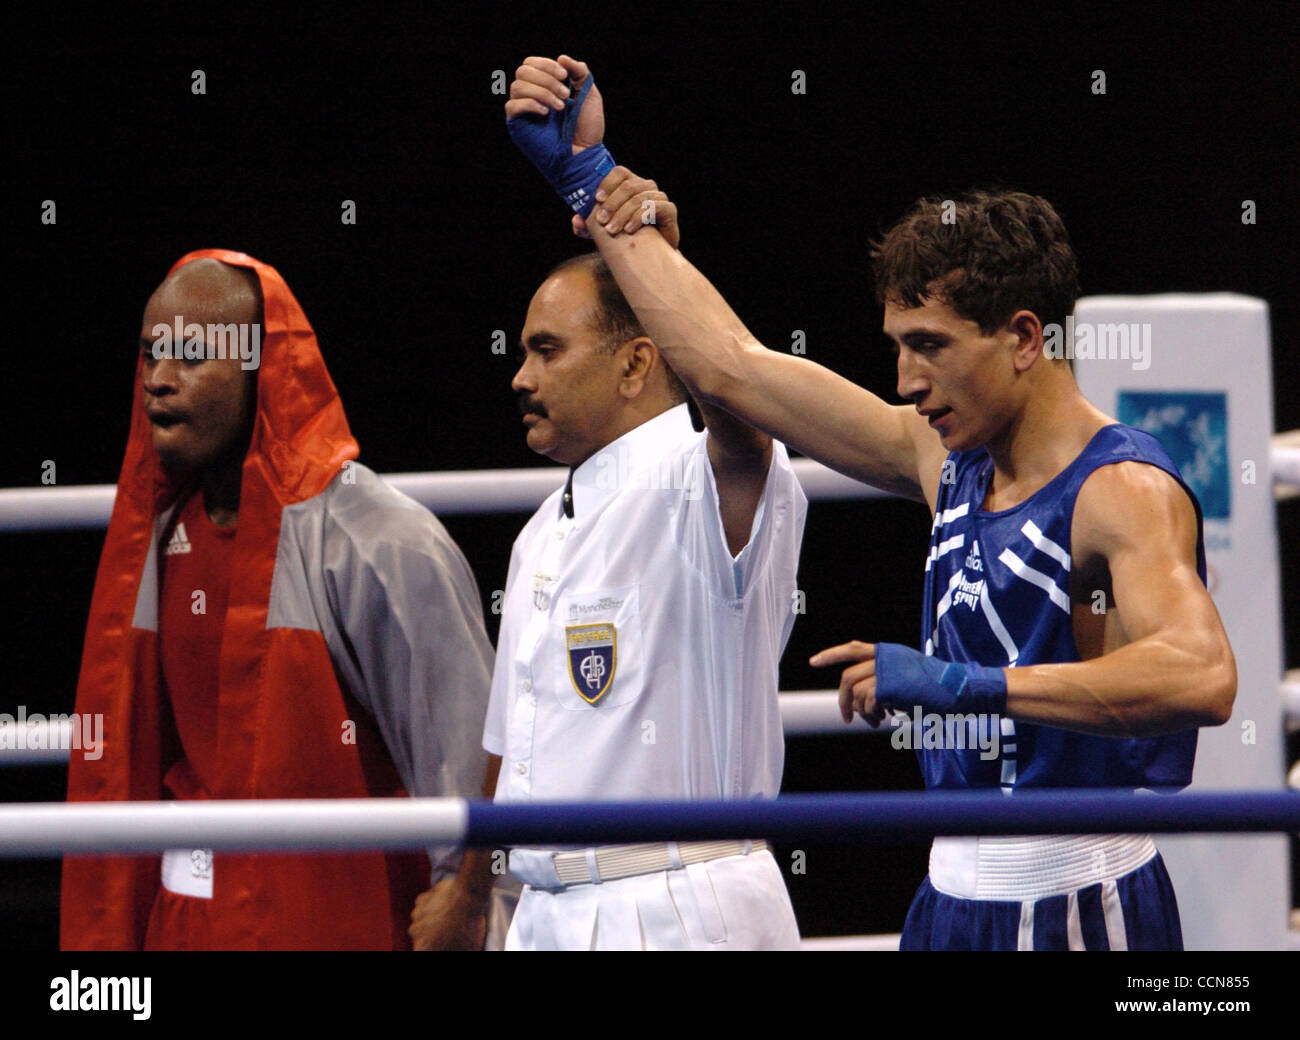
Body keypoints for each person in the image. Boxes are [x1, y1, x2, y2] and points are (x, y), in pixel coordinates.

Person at [505, 55, 1237, 951]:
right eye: (897, 345)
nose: (906, 380)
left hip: (1080, 897)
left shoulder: (1119, 489)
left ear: (1021, 339)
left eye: (929, 345)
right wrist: (590, 176)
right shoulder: (939, 456)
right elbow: (730, 366)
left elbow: (1202, 673)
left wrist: (969, 687)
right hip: (948, 894)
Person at [61, 249, 498, 951]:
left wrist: (469, 900)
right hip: (187, 919)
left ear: (259, 369)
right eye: (150, 356)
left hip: (334, 914)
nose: (159, 383)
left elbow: (467, 747)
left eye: (191, 356)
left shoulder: (378, 539)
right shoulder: (157, 538)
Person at [483, 156, 808, 946]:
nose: (521, 377)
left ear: (637, 361)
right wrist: (483, 895)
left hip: (676, 907)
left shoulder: (706, 482)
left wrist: (656, 262)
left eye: (548, 350)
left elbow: (739, 399)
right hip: (544, 908)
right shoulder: (539, 535)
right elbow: (509, 755)